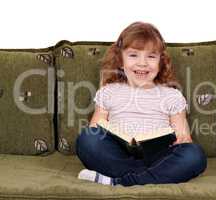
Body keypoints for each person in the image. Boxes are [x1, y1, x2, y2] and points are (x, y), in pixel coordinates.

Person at [75, 21, 207, 186]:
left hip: (159, 156)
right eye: (133, 55)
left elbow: (184, 136)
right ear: (121, 60)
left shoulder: (172, 95)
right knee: (87, 139)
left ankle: (120, 181)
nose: (142, 63)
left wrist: (183, 139)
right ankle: (151, 177)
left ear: (160, 62)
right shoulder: (108, 92)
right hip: (120, 153)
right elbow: (95, 129)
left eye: (151, 56)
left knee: (194, 155)